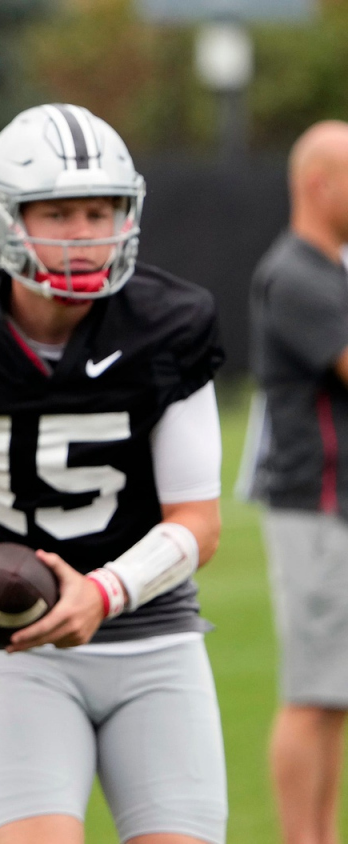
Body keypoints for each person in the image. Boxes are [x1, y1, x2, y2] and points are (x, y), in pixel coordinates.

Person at [0, 104, 227, 844]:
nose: (85, 236)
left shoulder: (171, 322)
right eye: (57, 213)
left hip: (155, 639)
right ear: (5, 218)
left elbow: (199, 521)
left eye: (101, 211)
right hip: (16, 647)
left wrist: (104, 590)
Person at [250, 120, 348, 844]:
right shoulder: (298, 275)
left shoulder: (327, 272)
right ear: (319, 183)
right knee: (312, 696)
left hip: (332, 506)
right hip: (314, 506)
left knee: (332, 694)